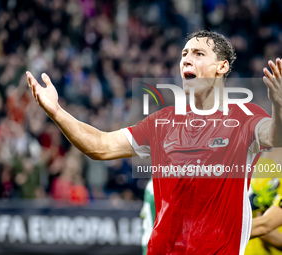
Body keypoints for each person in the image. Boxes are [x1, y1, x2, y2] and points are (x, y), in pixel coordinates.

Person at [26, 30, 282, 254]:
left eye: (198, 54)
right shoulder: (161, 122)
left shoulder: (244, 117)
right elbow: (100, 147)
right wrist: (57, 113)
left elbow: (274, 136)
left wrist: (279, 106)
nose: (186, 59)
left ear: (222, 67)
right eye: (184, 54)